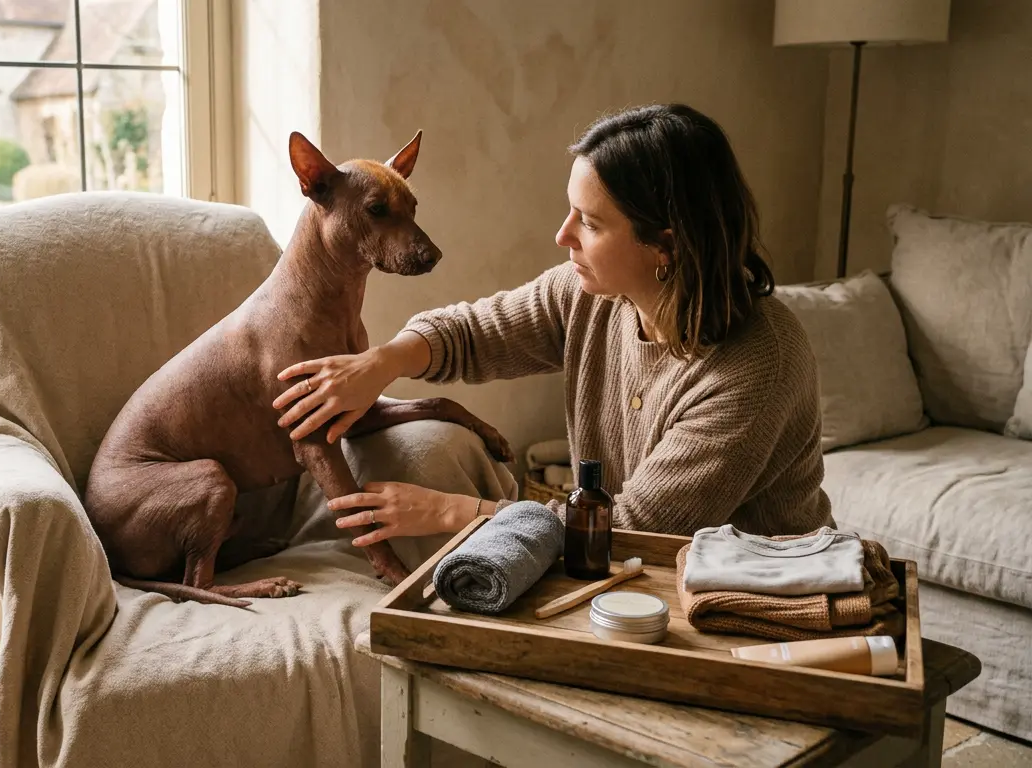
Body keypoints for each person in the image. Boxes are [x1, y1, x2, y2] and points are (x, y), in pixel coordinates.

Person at [271, 103, 833, 550]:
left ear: (665, 244)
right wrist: (382, 362)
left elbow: (632, 528)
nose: (562, 237)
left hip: (756, 606)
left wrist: (449, 512)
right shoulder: (593, 296)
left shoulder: (758, 364)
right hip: (628, 579)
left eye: (588, 222)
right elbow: (469, 333)